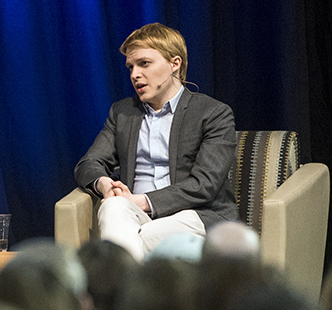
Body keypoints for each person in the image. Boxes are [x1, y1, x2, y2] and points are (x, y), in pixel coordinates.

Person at [74, 23, 237, 261]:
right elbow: (89, 163)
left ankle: (116, 289)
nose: (134, 74)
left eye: (144, 63)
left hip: (195, 215)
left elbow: (205, 184)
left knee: (145, 236)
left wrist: (141, 201)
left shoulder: (213, 113)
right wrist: (106, 186)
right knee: (112, 206)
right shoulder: (123, 112)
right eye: (130, 67)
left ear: (175, 64)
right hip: (135, 213)